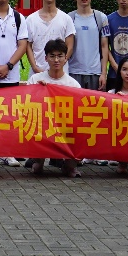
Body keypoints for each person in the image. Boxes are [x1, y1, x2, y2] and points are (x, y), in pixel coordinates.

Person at [25, 39, 81, 177]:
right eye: (52, 56)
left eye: (60, 56)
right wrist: (37, 90)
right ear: (46, 58)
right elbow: (25, 104)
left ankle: (69, 165)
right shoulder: (35, 80)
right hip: (43, 124)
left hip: (65, 126)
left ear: (66, 58)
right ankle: (38, 161)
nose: (56, 60)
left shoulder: (73, 85)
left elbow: (79, 111)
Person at [25, 0, 75, 78]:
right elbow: (28, 46)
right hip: (37, 73)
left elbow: (70, 46)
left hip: (61, 73)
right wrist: (35, 67)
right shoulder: (31, 19)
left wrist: (61, 63)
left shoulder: (66, 18)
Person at [66, 0, 109, 90]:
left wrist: (103, 73)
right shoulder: (69, 18)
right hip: (73, 71)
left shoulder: (101, 18)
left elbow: (105, 46)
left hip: (95, 72)